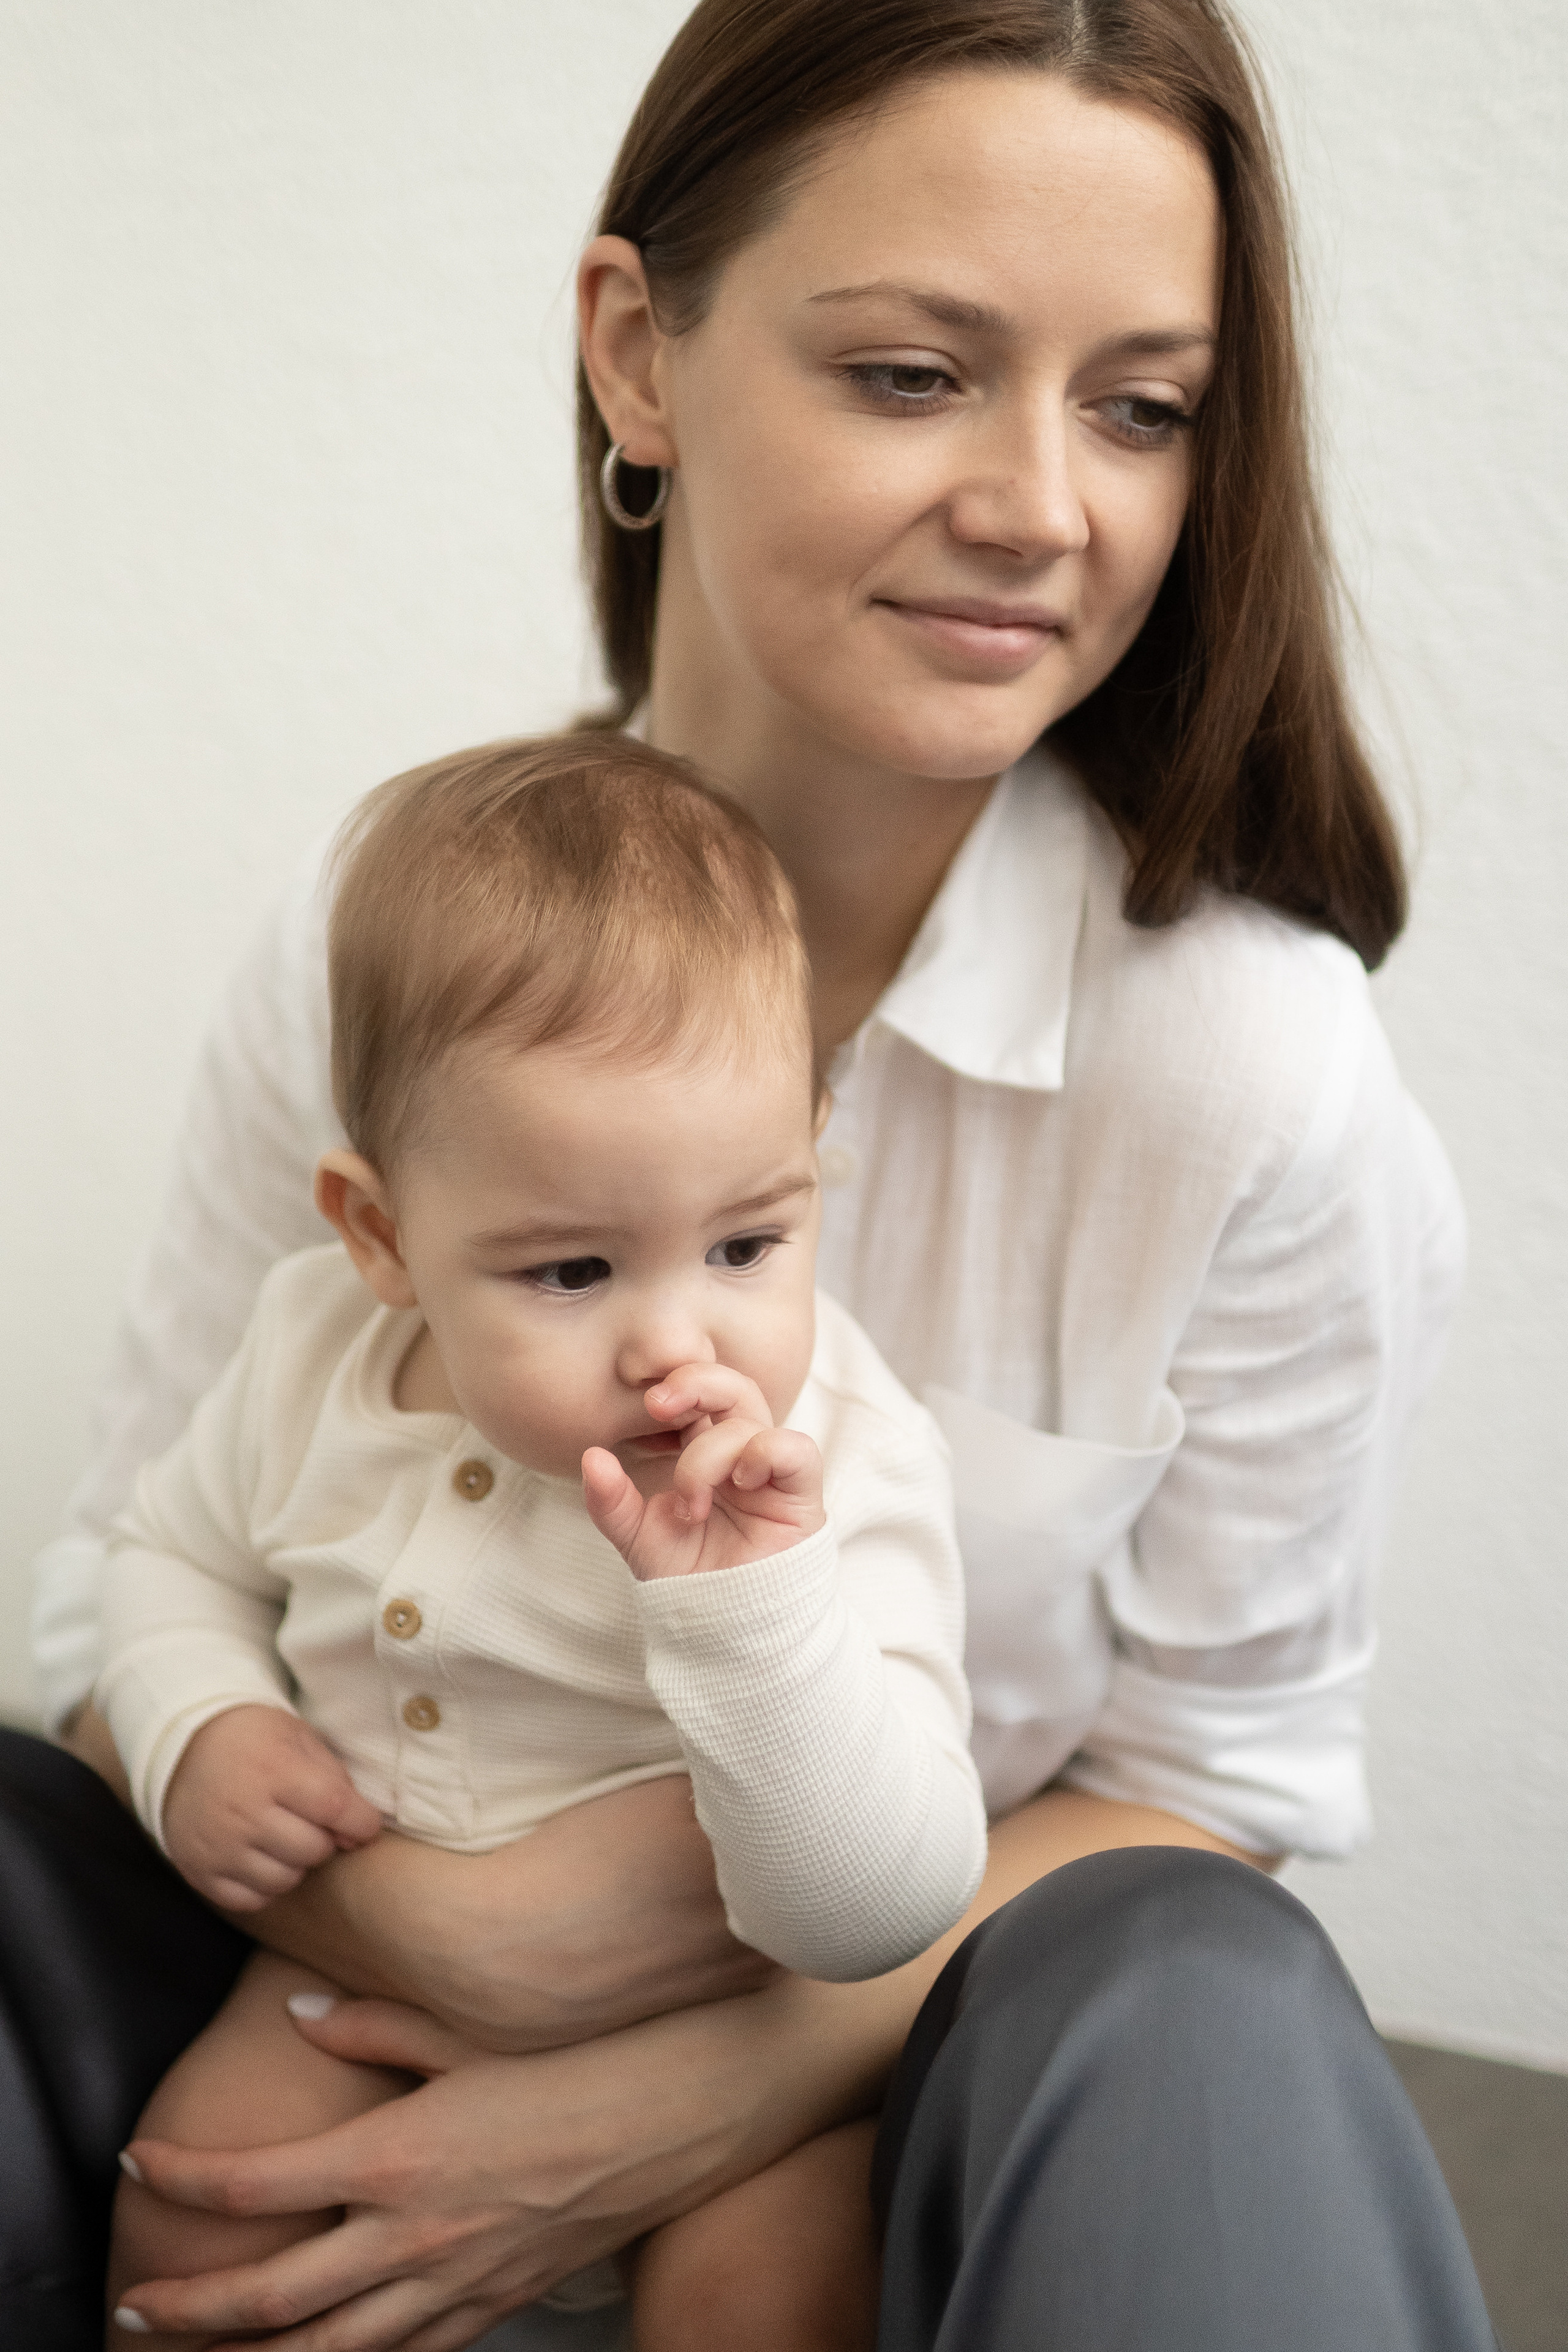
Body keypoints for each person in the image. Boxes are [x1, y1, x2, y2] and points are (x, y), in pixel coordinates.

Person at [7, 2, 1496, 2347]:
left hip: (904, 2074)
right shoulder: (379, 944)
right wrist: (430, 1929)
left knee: (1199, 1986)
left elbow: (1209, 1791)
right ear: (639, 357)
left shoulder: (1248, 1061)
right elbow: (131, 1584)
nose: (1045, 503)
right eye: (917, 372)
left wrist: (686, 2087)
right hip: (334, 1960)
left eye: (1144, 407)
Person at [97, 734, 985, 2348]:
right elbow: (165, 1562)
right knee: (191, 2208)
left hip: (736, 2053)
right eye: (572, 1271)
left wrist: (759, 1610)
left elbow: (881, 1908)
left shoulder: (833, 1462)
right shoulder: (311, 1356)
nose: (676, 1341)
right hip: (369, 1995)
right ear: (381, 1236)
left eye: (744, 1242)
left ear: (813, 1147)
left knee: (774, 2295)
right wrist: (198, 1722)